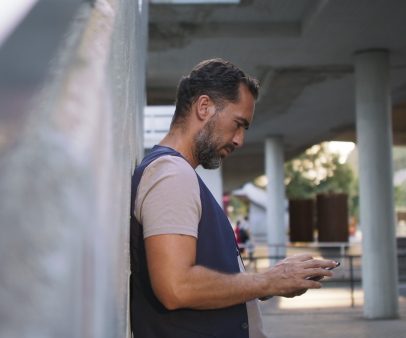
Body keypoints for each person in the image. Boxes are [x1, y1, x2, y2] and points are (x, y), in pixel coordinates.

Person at [130, 59, 338, 337]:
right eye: (237, 124)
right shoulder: (171, 174)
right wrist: (267, 282)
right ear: (204, 107)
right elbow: (175, 287)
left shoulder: (176, 173)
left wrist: (270, 282)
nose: (239, 140)